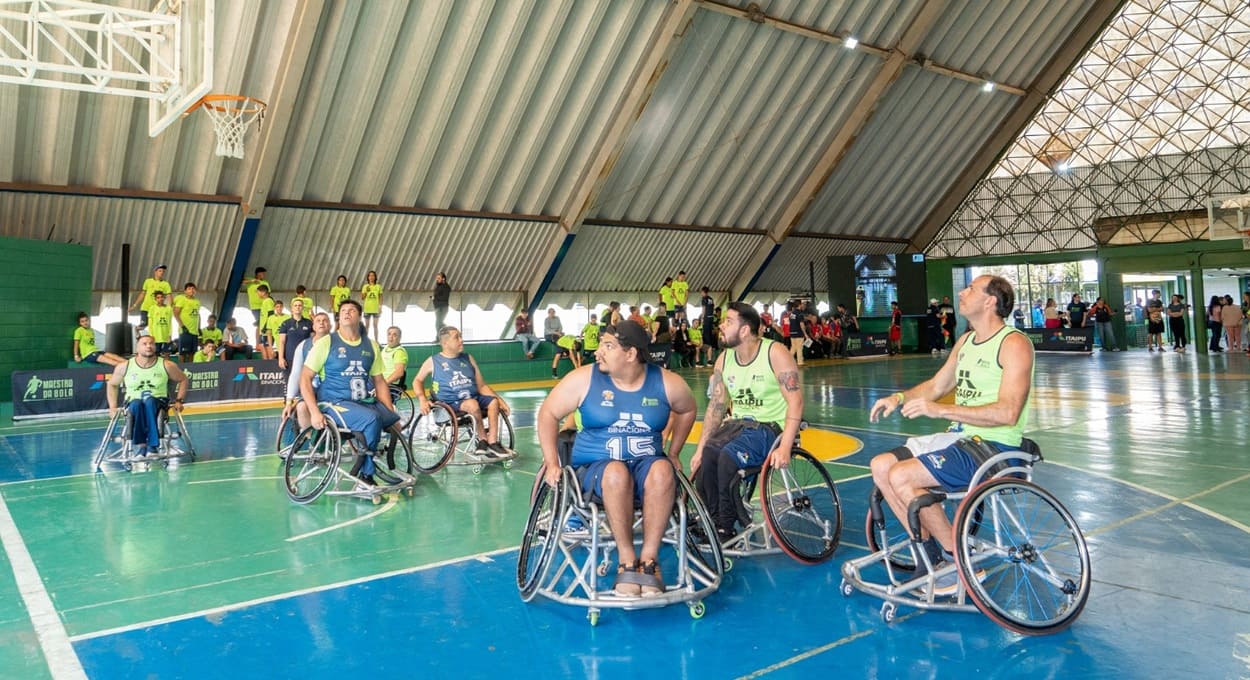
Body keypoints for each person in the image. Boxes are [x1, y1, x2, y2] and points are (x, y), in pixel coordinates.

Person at [867, 274, 1032, 593]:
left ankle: (958, 560)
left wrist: (942, 410)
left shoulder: (1014, 344)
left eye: (971, 289)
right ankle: (929, 558)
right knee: (881, 466)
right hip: (961, 439)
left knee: (902, 477)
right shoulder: (967, 341)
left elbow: (1008, 411)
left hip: (994, 446)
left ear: (990, 301)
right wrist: (898, 398)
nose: (962, 291)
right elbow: (937, 386)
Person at [536, 320, 697, 597]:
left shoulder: (666, 382)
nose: (598, 352)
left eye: (607, 346)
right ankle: (626, 561)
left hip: (644, 465)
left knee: (662, 470)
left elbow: (688, 410)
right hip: (595, 471)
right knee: (615, 472)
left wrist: (673, 453)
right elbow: (548, 414)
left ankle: (648, 562)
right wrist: (552, 462)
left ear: (631, 354)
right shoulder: (584, 379)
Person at [690, 302, 803, 542]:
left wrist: (785, 446)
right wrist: (699, 449)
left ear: (745, 330)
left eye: (728, 321)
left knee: (728, 457)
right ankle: (712, 518)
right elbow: (716, 408)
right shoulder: (724, 358)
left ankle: (725, 525)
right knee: (710, 454)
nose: (721, 325)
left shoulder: (775, 352)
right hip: (738, 427)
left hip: (771, 428)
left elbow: (796, 402)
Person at [300, 300, 400, 489]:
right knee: (371, 419)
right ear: (338, 317)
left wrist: (389, 410)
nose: (346, 313)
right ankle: (366, 474)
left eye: (351, 310)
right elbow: (305, 378)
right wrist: (314, 411)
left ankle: (375, 463)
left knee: (392, 419)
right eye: (343, 310)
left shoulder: (371, 346)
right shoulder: (326, 342)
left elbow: (379, 381)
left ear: (359, 316)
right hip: (333, 402)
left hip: (363, 402)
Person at [414, 326, 513, 459]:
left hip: (473, 398)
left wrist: (501, 401)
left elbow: (482, 386)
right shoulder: (433, 361)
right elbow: (417, 381)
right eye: (457, 337)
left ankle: (493, 442)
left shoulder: (468, 358)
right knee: (472, 404)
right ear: (445, 343)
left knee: (493, 402)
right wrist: (422, 399)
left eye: (461, 336)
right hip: (449, 405)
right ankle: (483, 440)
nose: (461, 340)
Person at [106, 334, 190, 457]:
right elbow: (112, 384)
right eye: (144, 344)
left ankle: (152, 447)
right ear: (137, 348)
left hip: (158, 402)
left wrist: (179, 400)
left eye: (151, 343)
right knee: (136, 404)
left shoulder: (167, 365)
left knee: (150, 402)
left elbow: (183, 379)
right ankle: (142, 447)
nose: (148, 346)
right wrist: (112, 407)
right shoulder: (125, 366)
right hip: (133, 402)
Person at [282, 312, 331, 433]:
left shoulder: (338, 344)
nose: (321, 322)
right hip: (312, 390)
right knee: (301, 407)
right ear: (313, 327)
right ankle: (310, 439)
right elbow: (295, 374)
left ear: (330, 326)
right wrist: (289, 401)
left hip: (333, 390)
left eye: (325, 320)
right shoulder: (303, 346)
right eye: (318, 320)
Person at [277, 298, 314, 375]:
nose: (297, 307)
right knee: (290, 385)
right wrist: (280, 358)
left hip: (305, 358)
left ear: (303, 308)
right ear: (292, 309)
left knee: (305, 384)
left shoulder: (309, 323)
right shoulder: (285, 323)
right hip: (289, 358)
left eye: (300, 305)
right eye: (295, 305)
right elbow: (281, 342)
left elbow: (313, 341)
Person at [129, 264, 170, 331]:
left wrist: (171, 307)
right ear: (155, 272)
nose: (161, 272)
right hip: (146, 308)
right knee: (144, 324)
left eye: (163, 271)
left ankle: (153, 340)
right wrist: (134, 305)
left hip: (157, 309)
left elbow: (169, 296)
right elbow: (142, 294)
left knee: (156, 326)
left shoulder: (165, 284)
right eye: (160, 271)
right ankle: (135, 334)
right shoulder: (148, 281)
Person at [172, 282, 202, 363]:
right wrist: (182, 326)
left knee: (192, 353)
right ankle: (181, 370)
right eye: (189, 289)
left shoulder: (197, 302)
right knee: (183, 353)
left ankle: (190, 371)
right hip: (185, 331)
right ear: (185, 291)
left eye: (193, 289)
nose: (191, 290)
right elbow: (175, 313)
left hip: (194, 332)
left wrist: (199, 327)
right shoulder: (182, 299)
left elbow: (198, 315)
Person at [148, 290, 175, 358]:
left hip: (166, 336)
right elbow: (150, 324)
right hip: (156, 337)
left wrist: (170, 335)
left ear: (164, 298)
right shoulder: (152, 308)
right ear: (155, 299)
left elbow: (170, 323)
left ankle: (167, 368)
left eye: (162, 297)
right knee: (155, 355)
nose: (160, 299)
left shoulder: (168, 308)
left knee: (167, 354)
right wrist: (151, 335)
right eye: (158, 297)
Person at [243, 267, 268, 335]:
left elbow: (268, 294)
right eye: (263, 273)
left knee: (265, 324)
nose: (264, 275)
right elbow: (242, 282)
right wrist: (252, 281)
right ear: (258, 274)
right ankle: (258, 341)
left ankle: (263, 339)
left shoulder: (265, 283)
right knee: (260, 324)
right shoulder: (250, 280)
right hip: (255, 307)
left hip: (264, 306)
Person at [256, 285, 276, 359]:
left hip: (267, 330)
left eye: (258, 292)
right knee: (263, 348)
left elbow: (271, 314)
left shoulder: (268, 301)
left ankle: (271, 368)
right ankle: (265, 367)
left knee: (268, 349)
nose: (257, 294)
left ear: (263, 292)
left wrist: (265, 327)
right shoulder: (264, 301)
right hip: (263, 331)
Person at [361, 270, 383, 339]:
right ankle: (365, 341)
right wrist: (366, 291)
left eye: (373, 275)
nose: (371, 277)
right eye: (370, 275)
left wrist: (380, 307)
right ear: (368, 277)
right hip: (367, 308)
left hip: (376, 308)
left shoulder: (378, 286)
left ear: (375, 277)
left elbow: (381, 297)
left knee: (375, 325)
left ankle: (376, 340)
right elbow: (362, 297)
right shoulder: (365, 286)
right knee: (367, 325)